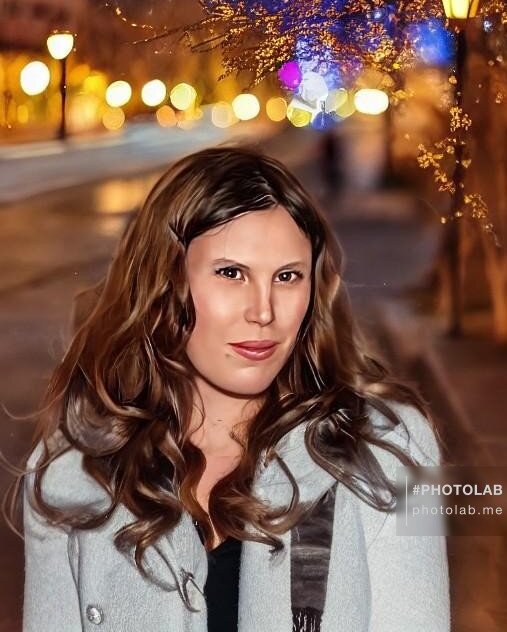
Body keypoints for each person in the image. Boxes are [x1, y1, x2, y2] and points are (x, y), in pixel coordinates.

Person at [8, 146, 450, 631]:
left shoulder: (386, 447)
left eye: (287, 277)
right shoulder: (73, 471)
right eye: (231, 273)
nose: (263, 311)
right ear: (166, 281)